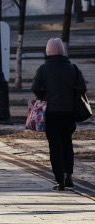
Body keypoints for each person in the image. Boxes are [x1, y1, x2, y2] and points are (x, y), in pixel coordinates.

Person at [32, 38, 86, 191]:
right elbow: (81, 88)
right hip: (69, 112)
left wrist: (44, 96)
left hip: (51, 113)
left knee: (54, 146)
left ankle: (59, 180)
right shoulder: (73, 68)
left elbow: (36, 88)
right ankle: (69, 175)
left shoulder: (44, 69)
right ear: (62, 51)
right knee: (67, 143)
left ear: (48, 51)